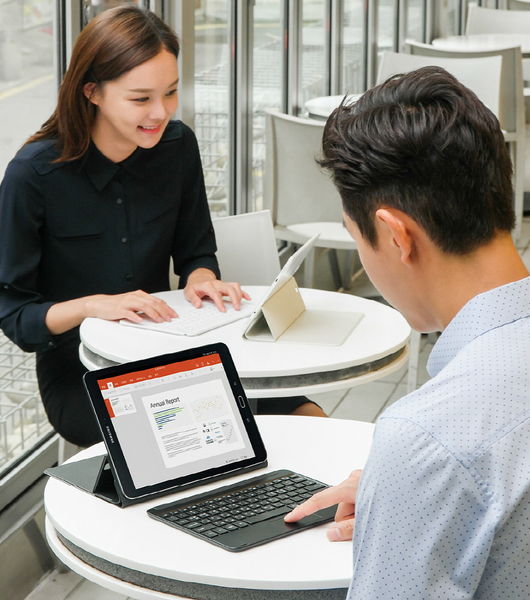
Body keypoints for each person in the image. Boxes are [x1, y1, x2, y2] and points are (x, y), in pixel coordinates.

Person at [0, 6, 324, 448]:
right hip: (81, 367)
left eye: (170, 92)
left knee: (306, 414)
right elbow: (16, 316)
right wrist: (93, 306)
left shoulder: (177, 146)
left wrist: (201, 279)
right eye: (141, 99)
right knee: (194, 439)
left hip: (167, 344)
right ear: (92, 92)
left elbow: (195, 250)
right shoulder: (33, 176)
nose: (161, 111)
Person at [284, 66, 530, 599]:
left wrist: (412, 480)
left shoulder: (425, 437)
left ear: (396, 236)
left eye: (357, 238)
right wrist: (402, 496)